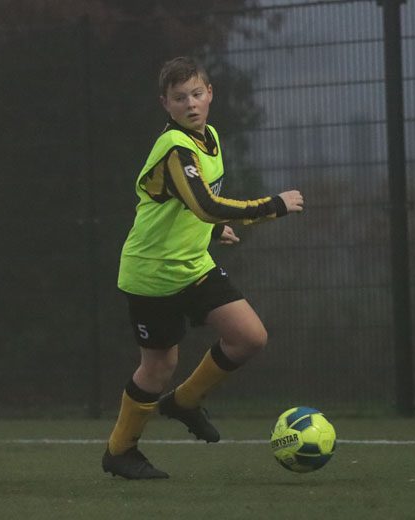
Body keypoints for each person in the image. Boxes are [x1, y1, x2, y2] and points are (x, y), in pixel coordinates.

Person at [102, 57, 304, 479]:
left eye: (196, 94)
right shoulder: (175, 147)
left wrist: (212, 232)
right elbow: (205, 204)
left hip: (194, 265)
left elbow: (182, 206)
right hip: (152, 274)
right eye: (179, 98)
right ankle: (120, 452)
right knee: (159, 367)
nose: (190, 103)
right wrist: (273, 206)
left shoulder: (208, 136)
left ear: (210, 93)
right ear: (165, 103)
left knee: (249, 337)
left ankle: (184, 402)